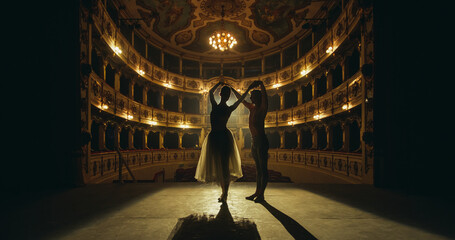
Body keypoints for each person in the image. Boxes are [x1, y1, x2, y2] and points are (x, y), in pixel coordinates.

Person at [195, 81, 259, 202]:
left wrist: (236, 89)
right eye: (225, 94)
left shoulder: (226, 107)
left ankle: (225, 194)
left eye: (227, 94)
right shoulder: (216, 105)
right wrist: (219, 83)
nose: (226, 96)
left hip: (223, 137)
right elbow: (209, 92)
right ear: (221, 94)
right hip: (215, 137)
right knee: (220, 167)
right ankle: (223, 193)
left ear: (227, 96)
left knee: (224, 167)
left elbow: (241, 99)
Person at [232, 80, 269, 203]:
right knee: (258, 169)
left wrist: (261, 84)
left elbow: (265, 97)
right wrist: (233, 90)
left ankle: (261, 195)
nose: (250, 97)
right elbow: (242, 99)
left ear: (257, 97)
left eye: (252, 96)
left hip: (261, 141)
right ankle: (257, 192)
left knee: (263, 169)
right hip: (254, 141)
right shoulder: (251, 108)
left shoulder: (262, 108)